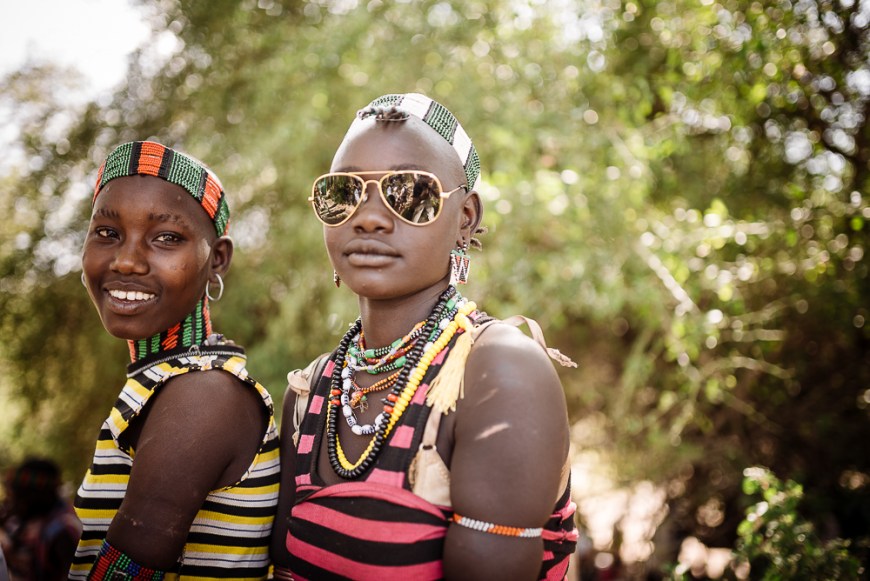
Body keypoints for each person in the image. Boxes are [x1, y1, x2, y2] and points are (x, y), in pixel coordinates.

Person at [271, 93, 579, 580]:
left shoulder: (498, 373)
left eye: (411, 192)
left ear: (466, 219)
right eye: (344, 193)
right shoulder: (310, 391)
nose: (369, 216)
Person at [70, 141, 280, 579]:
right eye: (107, 233)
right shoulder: (164, 382)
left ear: (217, 259)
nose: (126, 262)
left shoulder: (204, 393)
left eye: (166, 238)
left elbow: (127, 570)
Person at [0, 458, 81, 580]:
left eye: (19, 496)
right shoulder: (22, 523)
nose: (13, 502)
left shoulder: (63, 530)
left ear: (35, 496)